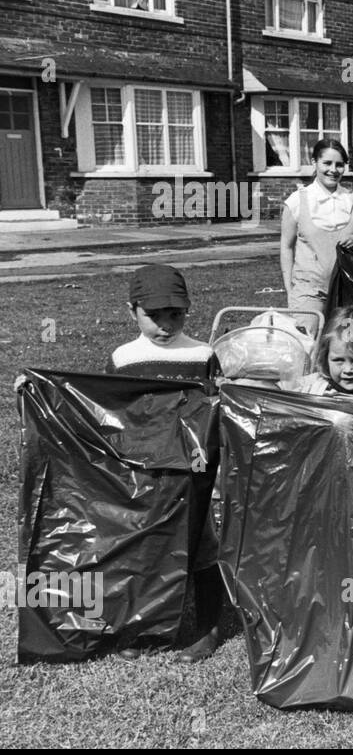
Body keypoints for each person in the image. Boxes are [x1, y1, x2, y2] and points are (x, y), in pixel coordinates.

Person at [110, 264, 222, 662]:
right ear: (131, 311)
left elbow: (216, 411)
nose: (164, 324)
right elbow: (107, 411)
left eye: (174, 314)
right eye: (152, 315)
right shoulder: (124, 359)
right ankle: (144, 627)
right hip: (147, 473)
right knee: (149, 547)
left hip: (194, 471)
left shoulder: (202, 354)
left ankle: (206, 627)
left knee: (203, 544)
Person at [280, 139, 353, 316]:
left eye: (339, 165)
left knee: (345, 341)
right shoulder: (297, 200)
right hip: (308, 291)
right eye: (327, 163)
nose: (333, 170)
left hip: (348, 290)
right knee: (309, 341)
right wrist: (290, 287)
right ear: (314, 163)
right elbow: (286, 247)